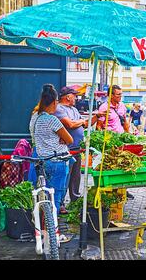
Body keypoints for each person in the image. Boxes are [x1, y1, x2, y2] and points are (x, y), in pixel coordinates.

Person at [54, 87, 101, 213]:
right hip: (65, 149)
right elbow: (70, 124)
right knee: (65, 176)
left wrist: (97, 117)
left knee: (75, 177)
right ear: (67, 96)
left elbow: (85, 124)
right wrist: (80, 121)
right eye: (74, 96)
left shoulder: (74, 109)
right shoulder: (59, 109)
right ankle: (61, 203)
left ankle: (75, 200)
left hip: (77, 148)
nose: (76, 98)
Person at [32, 84, 73, 214]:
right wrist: (60, 138)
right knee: (55, 197)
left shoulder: (34, 117)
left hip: (41, 160)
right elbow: (70, 140)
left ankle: (43, 225)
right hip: (57, 161)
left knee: (42, 195)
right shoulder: (52, 120)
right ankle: (53, 228)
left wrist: (58, 137)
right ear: (55, 102)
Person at [96, 85, 133, 199]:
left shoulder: (122, 106)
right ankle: (113, 190)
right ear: (111, 95)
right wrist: (104, 141)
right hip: (110, 142)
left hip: (122, 140)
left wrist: (128, 135)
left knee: (123, 165)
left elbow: (124, 121)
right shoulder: (104, 108)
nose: (120, 96)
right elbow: (99, 126)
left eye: (121, 94)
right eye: (118, 94)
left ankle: (123, 189)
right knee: (113, 166)